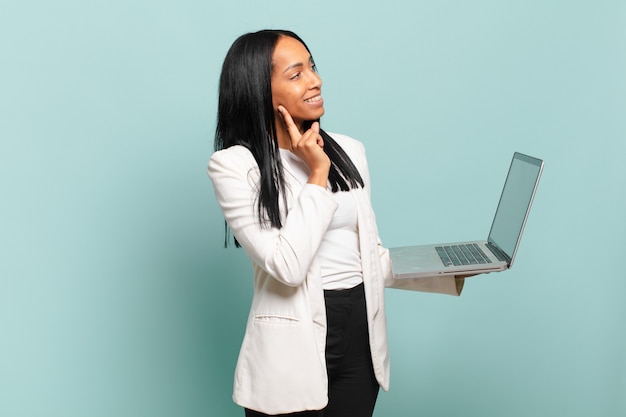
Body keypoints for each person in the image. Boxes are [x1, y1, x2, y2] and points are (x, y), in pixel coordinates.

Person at [207, 29, 466, 417]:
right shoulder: (235, 167)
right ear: (260, 91)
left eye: (312, 67)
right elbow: (287, 266)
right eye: (296, 74)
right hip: (291, 345)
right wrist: (316, 173)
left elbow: (368, 259)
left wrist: (452, 266)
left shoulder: (351, 151)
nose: (315, 80)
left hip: (360, 333)